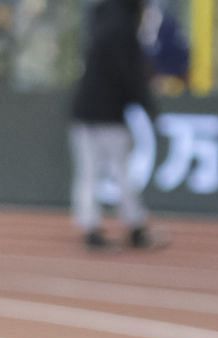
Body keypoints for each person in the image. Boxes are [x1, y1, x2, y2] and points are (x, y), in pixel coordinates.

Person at [70, 0, 157, 250]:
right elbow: (128, 71)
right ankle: (135, 226)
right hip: (107, 113)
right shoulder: (123, 25)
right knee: (120, 170)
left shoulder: (100, 17)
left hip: (84, 110)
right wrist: (146, 102)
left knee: (88, 173)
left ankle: (91, 227)